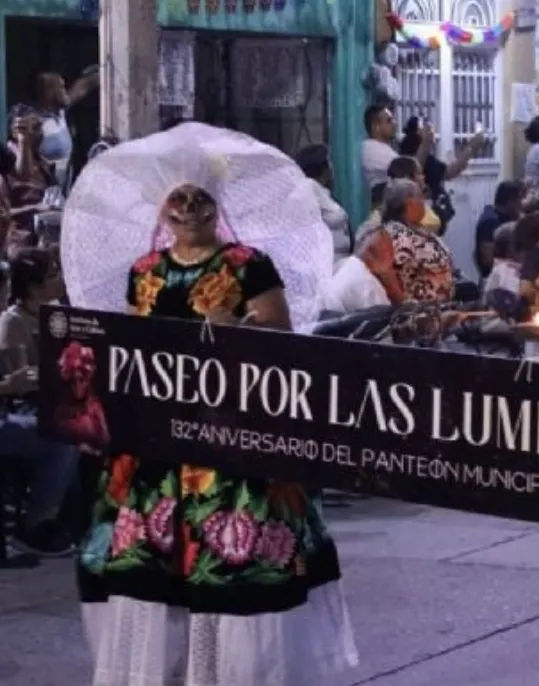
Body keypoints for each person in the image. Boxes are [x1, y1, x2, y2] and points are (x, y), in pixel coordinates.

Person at [63, 124, 357, 684]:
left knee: (235, 566)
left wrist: (238, 327)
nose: (190, 209)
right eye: (179, 199)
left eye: (200, 199)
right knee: (156, 562)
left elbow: (281, 342)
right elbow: (134, 350)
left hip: (232, 437)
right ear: (162, 208)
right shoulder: (144, 272)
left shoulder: (248, 264)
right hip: (159, 444)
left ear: (216, 204)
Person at [0, 249, 78, 556]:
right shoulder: (12, 323)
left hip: (48, 397)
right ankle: (37, 523)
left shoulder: (58, 314)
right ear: (33, 287)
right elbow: (20, 380)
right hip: (24, 405)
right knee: (63, 437)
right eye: (52, 276)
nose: (59, 280)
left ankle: (77, 517)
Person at [327, 179, 455, 311]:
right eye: (421, 196)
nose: (424, 202)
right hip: (414, 315)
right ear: (409, 201)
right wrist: (405, 306)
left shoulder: (417, 229)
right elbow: (383, 271)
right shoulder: (388, 234)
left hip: (436, 309)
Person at [399, 115, 485, 233]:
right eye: (427, 127)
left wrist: (471, 149)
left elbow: (448, 171)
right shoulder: (412, 150)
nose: (432, 131)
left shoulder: (417, 150)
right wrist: (471, 148)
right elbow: (449, 172)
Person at [29, 68, 99, 192]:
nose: (65, 91)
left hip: (62, 191)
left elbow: (83, 87)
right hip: (43, 194)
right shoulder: (36, 123)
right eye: (61, 87)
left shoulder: (59, 114)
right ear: (49, 92)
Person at [294, 143, 351, 259]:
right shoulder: (309, 189)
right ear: (320, 166)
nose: (332, 166)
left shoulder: (325, 193)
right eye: (329, 161)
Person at [361, 105, 430, 189]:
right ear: (376, 127)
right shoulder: (372, 149)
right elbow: (412, 169)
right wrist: (426, 140)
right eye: (389, 121)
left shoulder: (383, 146)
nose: (395, 123)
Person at [474, 181, 524, 279]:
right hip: (497, 279)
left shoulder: (503, 217)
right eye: (520, 199)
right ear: (510, 202)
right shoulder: (490, 222)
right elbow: (488, 260)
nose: (522, 204)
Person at [385, 156, 442, 233]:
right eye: (419, 173)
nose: (423, 177)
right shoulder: (408, 206)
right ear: (407, 177)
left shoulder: (421, 202)